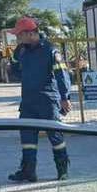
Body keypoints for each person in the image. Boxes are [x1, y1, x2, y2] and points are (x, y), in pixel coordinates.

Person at [8, 16, 72, 182]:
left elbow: (61, 74)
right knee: (27, 137)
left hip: (48, 101)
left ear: (30, 33)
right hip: (28, 101)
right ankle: (28, 171)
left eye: (19, 35)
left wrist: (65, 97)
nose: (17, 38)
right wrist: (15, 65)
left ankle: (62, 170)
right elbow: (15, 71)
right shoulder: (21, 50)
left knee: (55, 135)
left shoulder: (50, 51)